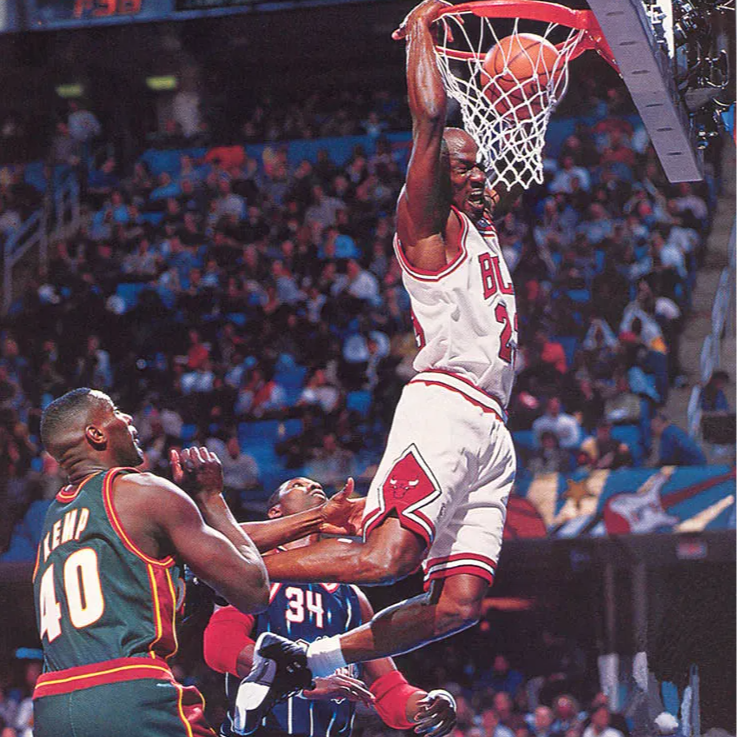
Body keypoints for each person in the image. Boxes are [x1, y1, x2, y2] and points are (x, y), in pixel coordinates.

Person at [236, 0, 518, 730]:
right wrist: (422, 31)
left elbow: (484, 154)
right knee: (385, 556)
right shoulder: (423, 225)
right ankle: (234, 559)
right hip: (447, 403)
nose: (478, 173)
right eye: (464, 164)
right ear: (435, 178)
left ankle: (311, 656)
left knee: (457, 604)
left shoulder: (479, 224)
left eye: (480, 163)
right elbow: (430, 120)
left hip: (492, 428)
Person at [31, 388, 362, 737]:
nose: (128, 419)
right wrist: (210, 496)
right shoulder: (145, 489)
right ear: (95, 434)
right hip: (127, 694)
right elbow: (253, 589)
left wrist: (317, 519)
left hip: (52, 705)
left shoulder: (54, 519)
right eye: (114, 411)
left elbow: (216, 538)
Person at [203, 477, 456, 737]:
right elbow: (220, 644)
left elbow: (389, 689)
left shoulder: (353, 597)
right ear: (275, 512)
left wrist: (428, 705)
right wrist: (302, 679)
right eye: (298, 485)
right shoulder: (259, 573)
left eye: (317, 485)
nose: (314, 487)